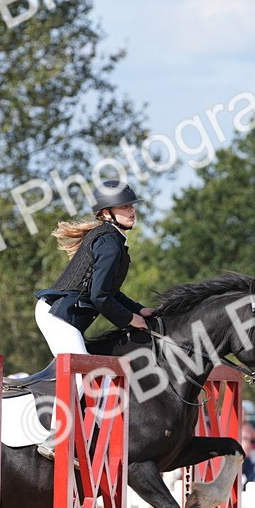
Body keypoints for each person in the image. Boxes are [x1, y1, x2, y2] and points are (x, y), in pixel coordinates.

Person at [32, 179, 154, 460]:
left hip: (64, 313)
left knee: (86, 372)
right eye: (125, 206)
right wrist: (129, 320)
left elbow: (110, 292)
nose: (132, 211)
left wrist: (139, 309)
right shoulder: (109, 243)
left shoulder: (111, 239)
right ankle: (54, 440)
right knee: (80, 374)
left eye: (131, 206)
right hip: (57, 315)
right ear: (107, 212)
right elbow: (100, 298)